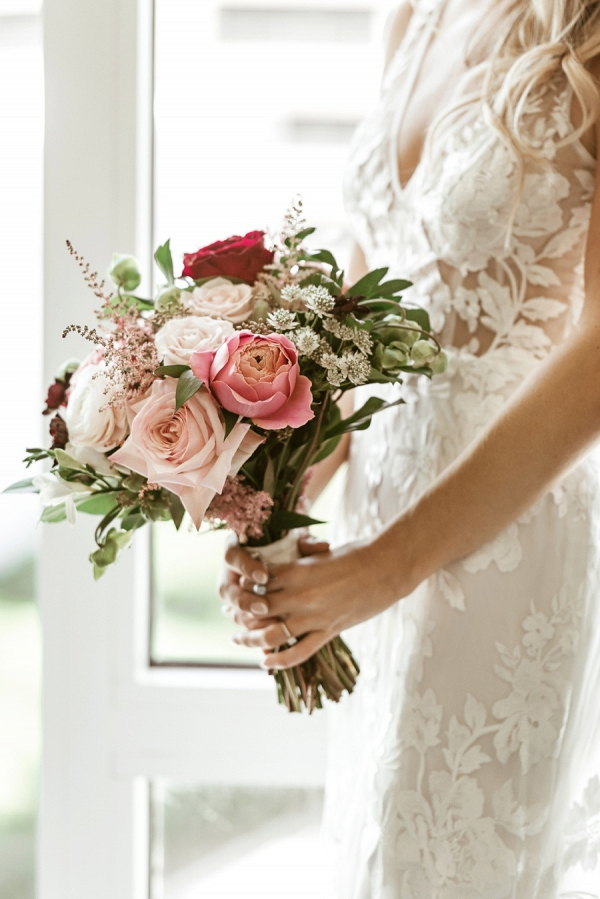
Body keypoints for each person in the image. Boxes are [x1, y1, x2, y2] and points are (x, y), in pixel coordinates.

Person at [221, 0, 600, 894]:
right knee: (375, 854)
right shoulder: (415, 15)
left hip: (503, 545)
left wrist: (387, 566)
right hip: (372, 528)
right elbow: (374, 282)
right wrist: (282, 493)